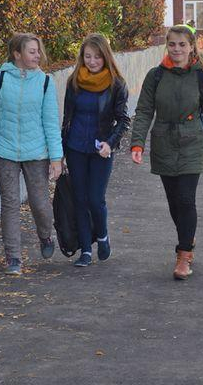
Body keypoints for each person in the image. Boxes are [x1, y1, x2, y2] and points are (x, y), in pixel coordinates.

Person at [130, 24, 203, 280]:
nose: (177, 49)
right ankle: (187, 235)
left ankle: (184, 255)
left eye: (182, 44)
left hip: (192, 142)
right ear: (166, 46)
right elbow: (143, 111)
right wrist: (137, 142)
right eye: (172, 44)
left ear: (192, 47)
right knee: (174, 202)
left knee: (185, 199)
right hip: (163, 142)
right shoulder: (155, 76)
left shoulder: (201, 79)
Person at [0, 33, 63, 276]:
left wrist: (56, 158)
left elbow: (50, 122)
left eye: (38, 51)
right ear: (17, 54)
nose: (37, 55)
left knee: (40, 203)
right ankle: (13, 257)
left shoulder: (45, 82)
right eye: (32, 51)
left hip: (37, 152)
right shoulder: (0, 78)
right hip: (5, 151)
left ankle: (46, 236)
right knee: (10, 204)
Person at [62, 34, 130, 268]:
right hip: (75, 147)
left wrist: (110, 143)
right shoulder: (74, 82)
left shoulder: (116, 84)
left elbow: (123, 120)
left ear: (105, 57)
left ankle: (102, 236)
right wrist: (60, 150)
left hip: (101, 149)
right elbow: (67, 117)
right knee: (79, 199)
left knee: (95, 198)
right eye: (87, 56)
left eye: (97, 57)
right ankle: (85, 251)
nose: (91, 61)